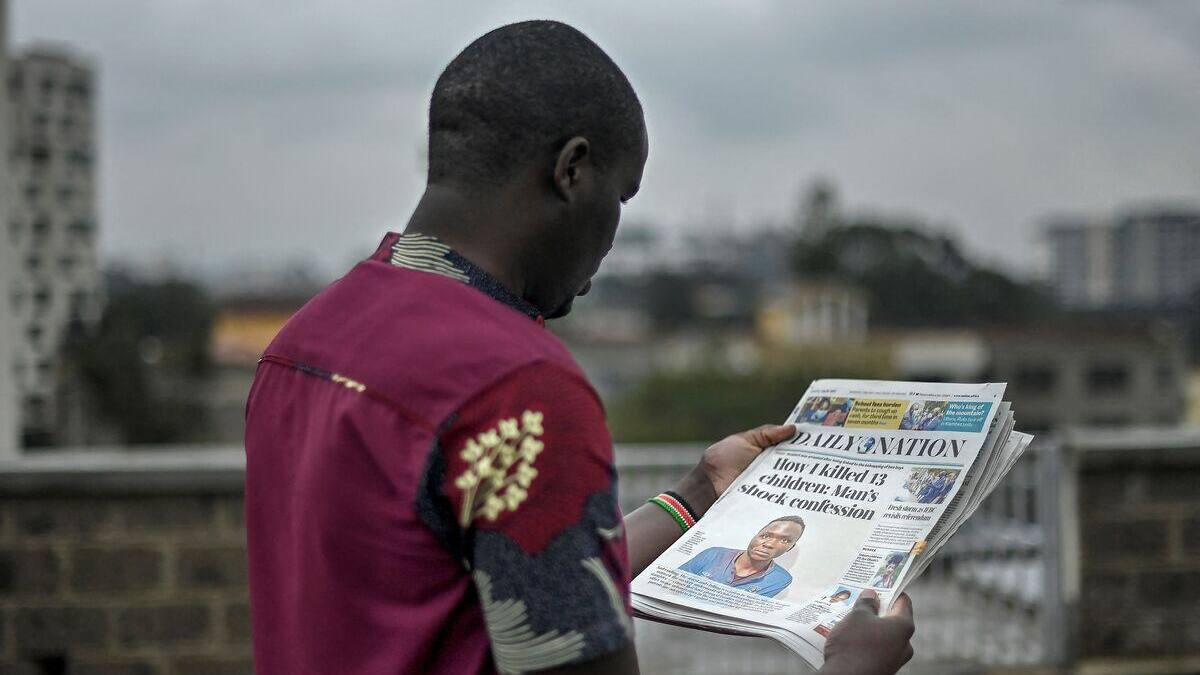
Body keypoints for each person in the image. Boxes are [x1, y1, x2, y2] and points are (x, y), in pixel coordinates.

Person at [244, 20, 915, 675]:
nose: (615, 235)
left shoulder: (301, 342)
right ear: (572, 170)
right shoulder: (516, 384)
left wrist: (695, 494)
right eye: (620, 196)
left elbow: (519, 584)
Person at [679, 516, 805, 598]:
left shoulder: (781, 579)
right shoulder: (713, 554)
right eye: (766, 536)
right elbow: (674, 583)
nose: (769, 544)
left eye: (785, 541)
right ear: (756, 535)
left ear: (791, 548)